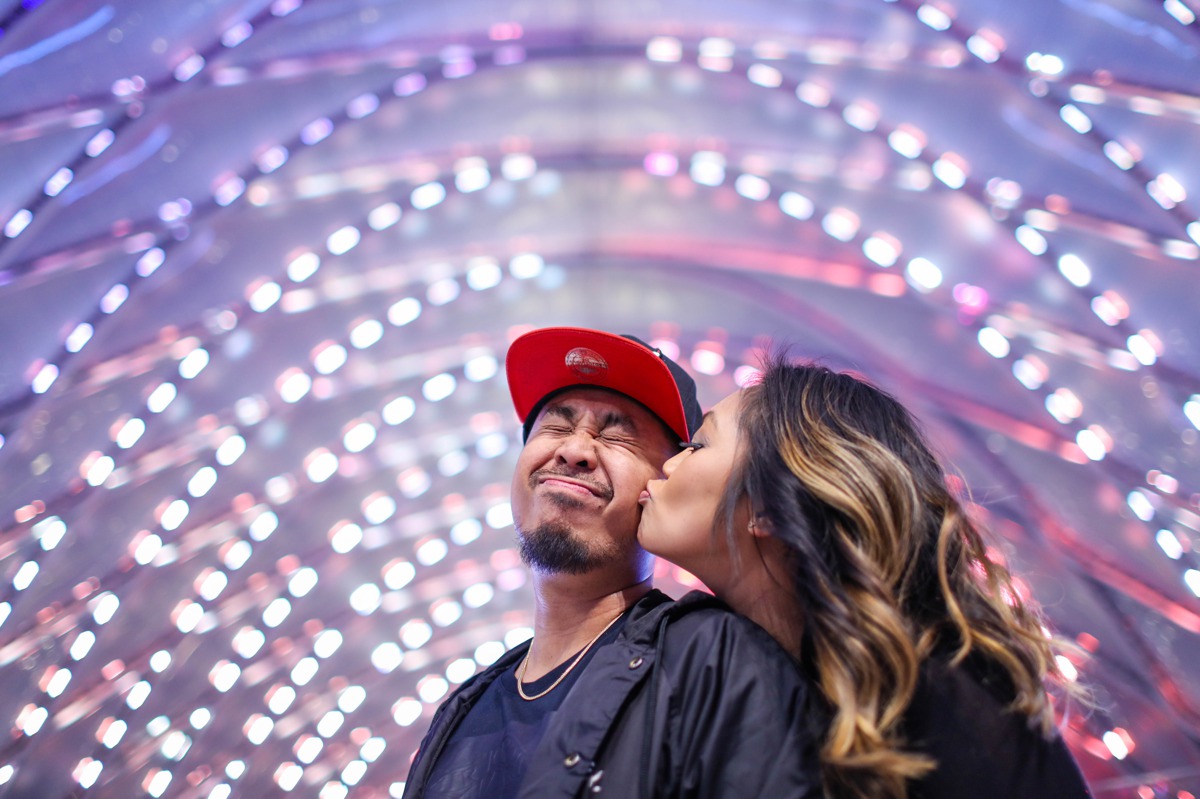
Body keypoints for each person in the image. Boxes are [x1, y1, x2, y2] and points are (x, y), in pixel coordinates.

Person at [638, 355, 1091, 799]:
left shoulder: (944, 698)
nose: (670, 465)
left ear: (766, 503)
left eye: (698, 446)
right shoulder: (794, 680)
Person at [404, 328, 823, 798]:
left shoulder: (710, 657)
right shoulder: (464, 708)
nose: (575, 450)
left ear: (668, 478)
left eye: (617, 435)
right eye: (556, 427)